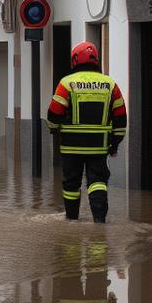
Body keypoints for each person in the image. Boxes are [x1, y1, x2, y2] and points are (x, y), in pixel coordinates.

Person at [47, 41, 127, 223]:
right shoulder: (110, 84)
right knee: (98, 182)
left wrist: (54, 130)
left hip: (71, 146)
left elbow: (54, 114)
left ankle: (72, 220)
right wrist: (115, 143)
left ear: (74, 60)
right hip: (98, 146)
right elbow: (121, 117)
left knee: (71, 184)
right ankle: (99, 223)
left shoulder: (66, 84)